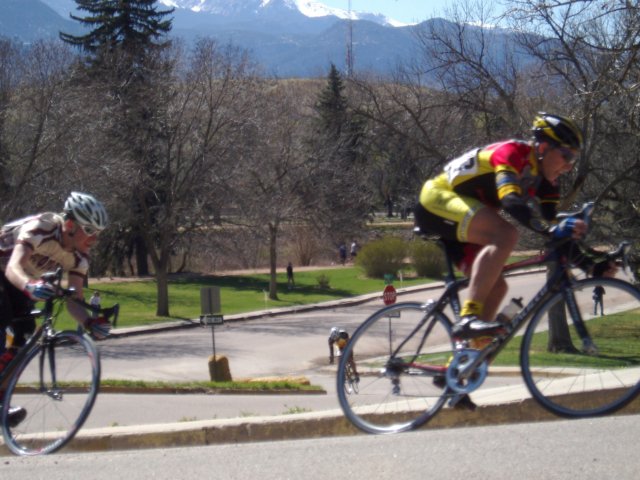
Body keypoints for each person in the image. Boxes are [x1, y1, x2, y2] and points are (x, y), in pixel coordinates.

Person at [414, 113, 613, 344]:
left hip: (467, 218)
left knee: (497, 288)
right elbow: (510, 201)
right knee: (506, 234)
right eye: (566, 155)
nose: (569, 167)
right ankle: (468, 318)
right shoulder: (512, 153)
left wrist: (591, 265)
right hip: (437, 200)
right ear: (544, 147)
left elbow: (555, 233)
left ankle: (466, 364)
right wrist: (551, 231)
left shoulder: (548, 183)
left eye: (574, 160)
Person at [0, 192, 112, 426]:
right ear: (70, 225)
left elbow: (75, 299)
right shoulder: (41, 228)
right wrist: (30, 285)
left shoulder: (80, 257)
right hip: (9, 271)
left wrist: (89, 322)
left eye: (98, 233)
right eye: (89, 230)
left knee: (25, 335)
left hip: (19, 282)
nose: (94, 239)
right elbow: (13, 268)